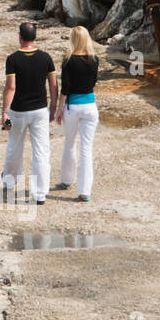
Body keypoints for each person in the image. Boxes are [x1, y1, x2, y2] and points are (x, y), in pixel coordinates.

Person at [0, 21, 58, 205]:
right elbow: (54, 85)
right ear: (35, 36)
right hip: (40, 110)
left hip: (18, 111)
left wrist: (4, 112)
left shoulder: (13, 59)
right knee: (41, 151)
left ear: (20, 36)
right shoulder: (46, 58)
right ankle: (40, 193)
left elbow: (11, 87)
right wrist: (54, 107)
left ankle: (9, 183)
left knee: (14, 148)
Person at [55, 26, 100, 202]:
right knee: (86, 149)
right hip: (90, 106)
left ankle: (67, 181)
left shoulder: (68, 60)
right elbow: (94, 81)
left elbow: (65, 88)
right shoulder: (95, 59)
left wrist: (59, 109)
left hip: (72, 106)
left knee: (70, 143)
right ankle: (84, 191)